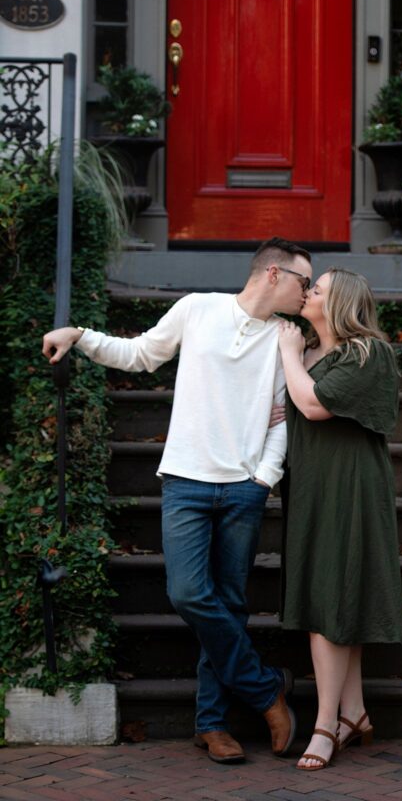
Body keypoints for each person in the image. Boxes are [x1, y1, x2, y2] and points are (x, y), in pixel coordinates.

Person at [42, 237, 313, 765]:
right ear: (275, 274)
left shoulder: (287, 337)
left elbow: (282, 418)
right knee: (190, 593)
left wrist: (263, 477)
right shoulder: (198, 308)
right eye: (305, 282)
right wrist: (79, 335)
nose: (309, 293)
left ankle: (212, 726)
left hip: (244, 489)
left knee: (230, 603)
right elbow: (141, 354)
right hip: (186, 482)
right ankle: (265, 692)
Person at [277, 268, 402, 770]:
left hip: (349, 485)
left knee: (332, 597)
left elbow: (313, 404)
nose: (309, 293)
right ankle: (354, 712)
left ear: (340, 303)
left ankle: (325, 725)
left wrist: (287, 355)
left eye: (319, 289)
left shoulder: (366, 353)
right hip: (310, 485)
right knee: (331, 596)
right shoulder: (310, 351)